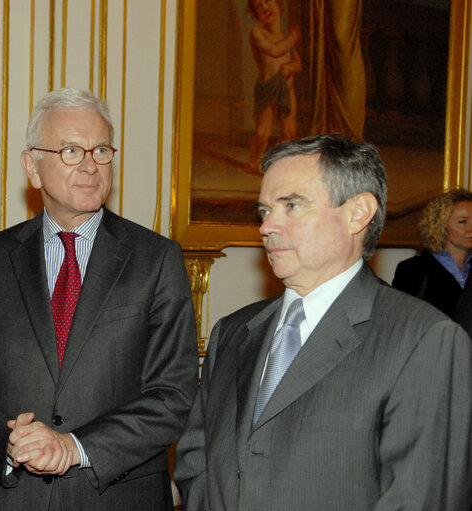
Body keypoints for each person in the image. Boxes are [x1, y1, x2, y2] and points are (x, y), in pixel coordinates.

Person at [174, 134, 472, 510]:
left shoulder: (424, 339)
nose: (267, 226)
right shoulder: (233, 332)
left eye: (292, 206)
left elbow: (421, 498)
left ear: (358, 213)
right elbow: (195, 460)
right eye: (265, 211)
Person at [0, 88, 198, 510]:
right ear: (32, 167)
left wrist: (74, 447)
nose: (91, 166)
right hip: (15, 496)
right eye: (72, 151)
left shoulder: (155, 259)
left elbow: (175, 395)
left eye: (101, 150)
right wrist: (12, 442)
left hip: (118, 496)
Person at [392, 189, 472, 331]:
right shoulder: (413, 270)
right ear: (441, 225)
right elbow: (402, 324)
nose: (470, 228)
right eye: (462, 222)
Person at [247, 0, 301, 173]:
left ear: (279, 5)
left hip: (286, 88)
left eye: (267, 1)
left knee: (289, 130)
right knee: (263, 133)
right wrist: (293, 38)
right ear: (255, 14)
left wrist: (289, 68)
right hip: (267, 89)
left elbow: (299, 64)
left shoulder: (285, 38)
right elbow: (274, 50)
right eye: (258, 6)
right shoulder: (258, 33)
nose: (264, 7)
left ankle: (280, 163)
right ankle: (254, 162)